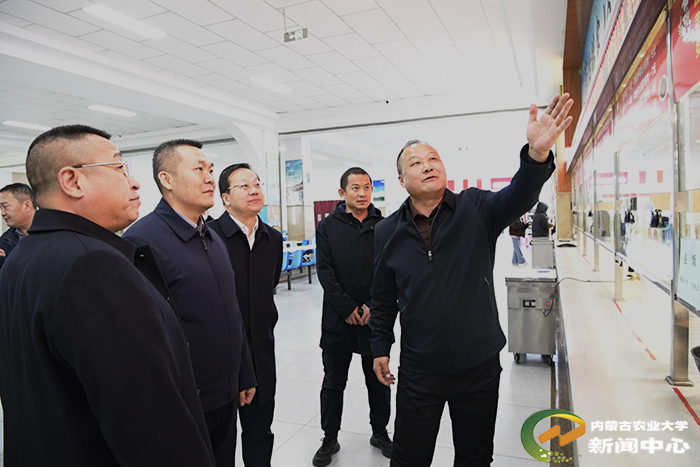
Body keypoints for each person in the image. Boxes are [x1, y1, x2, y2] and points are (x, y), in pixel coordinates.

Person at [370, 93, 574, 467]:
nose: (427, 166)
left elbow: (519, 196)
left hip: (478, 365)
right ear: (401, 180)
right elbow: (383, 298)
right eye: (416, 163)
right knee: (409, 458)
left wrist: (536, 155)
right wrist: (380, 346)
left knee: (475, 457)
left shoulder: (476, 207)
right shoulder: (386, 232)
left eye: (433, 159)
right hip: (420, 368)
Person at [0, 125, 215, 466]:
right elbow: (148, 422)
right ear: (73, 181)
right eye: (119, 168)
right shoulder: (93, 264)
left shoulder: (22, 257)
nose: (134, 182)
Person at [124, 139, 256, 466]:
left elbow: (231, 312)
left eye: (211, 169)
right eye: (199, 169)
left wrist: (243, 372)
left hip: (225, 393)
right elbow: (143, 337)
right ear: (166, 179)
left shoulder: (212, 237)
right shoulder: (142, 241)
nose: (210, 178)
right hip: (183, 401)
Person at [313, 167, 392, 467]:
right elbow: (325, 271)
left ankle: (380, 432)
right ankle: (329, 437)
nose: (362, 193)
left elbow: (389, 271)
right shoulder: (328, 226)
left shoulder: (383, 226)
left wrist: (372, 304)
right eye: (355, 188)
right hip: (338, 319)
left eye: (367, 187)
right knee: (334, 381)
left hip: (374, 319)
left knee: (378, 379)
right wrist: (346, 307)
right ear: (342, 192)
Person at [208, 163, 283, 467]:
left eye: (257, 184)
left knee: (260, 432)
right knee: (220, 440)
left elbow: (269, 288)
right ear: (225, 197)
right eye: (244, 186)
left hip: (262, 352)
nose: (254, 190)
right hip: (221, 357)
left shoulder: (272, 239)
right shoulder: (208, 237)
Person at [0, 182, 36, 268]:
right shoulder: (4, 243)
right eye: (0, 208)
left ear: (27, 206)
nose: (2, 213)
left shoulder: (56, 233)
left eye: (5, 206)